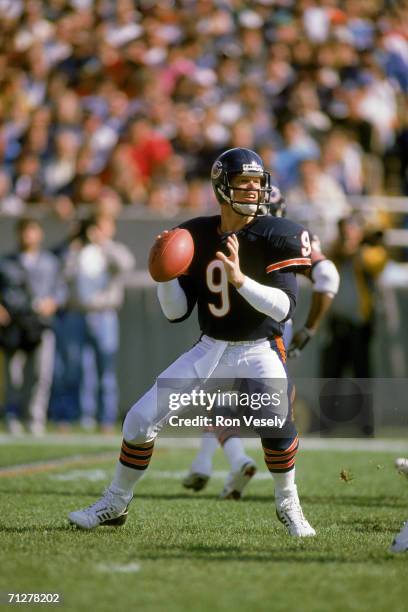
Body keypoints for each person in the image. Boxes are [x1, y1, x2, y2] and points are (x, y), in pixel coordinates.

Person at [68, 147, 316, 537]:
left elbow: (284, 309)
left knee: (276, 423)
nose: (253, 190)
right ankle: (115, 503)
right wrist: (164, 275)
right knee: (137, 420)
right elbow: (175, 312)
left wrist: (240, 281)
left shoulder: (275, 233)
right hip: (211, 347)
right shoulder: (196, 233)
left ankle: (289, 504)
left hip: (259, 349)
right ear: (221, 188)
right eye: (243, 183)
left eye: (257, 183)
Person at [182, 201, 340, 499]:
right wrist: (310, 328)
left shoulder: (266, 234)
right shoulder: (284, 232)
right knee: (237, 403)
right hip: (273, 329)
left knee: (231, 403)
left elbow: (327, 274)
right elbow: (328, 276)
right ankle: (212, 463)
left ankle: (236, 463)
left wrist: (310, 327)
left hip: (259, 331)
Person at [62, 214, 135, 432]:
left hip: (105, 314)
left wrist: (104, 244)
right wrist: (74, 249)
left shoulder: (113, 249)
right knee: (80, 367)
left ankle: (106, 416)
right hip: (78, 313)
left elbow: (126, 264)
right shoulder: (78, 251)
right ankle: (84, 415)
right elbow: (65, 275)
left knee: (106, 369)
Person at [0, 217, 66, 435]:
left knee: (41, 374)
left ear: (40, 234)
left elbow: (61, 290)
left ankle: (35, 417)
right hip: (14, 325)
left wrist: (53, 302)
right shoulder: (6, 262)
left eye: (32, 231)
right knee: (14, 376)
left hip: (40, 324)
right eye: (24, 231)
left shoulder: (50, 262)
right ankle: (12, 415)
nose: (28, 236)